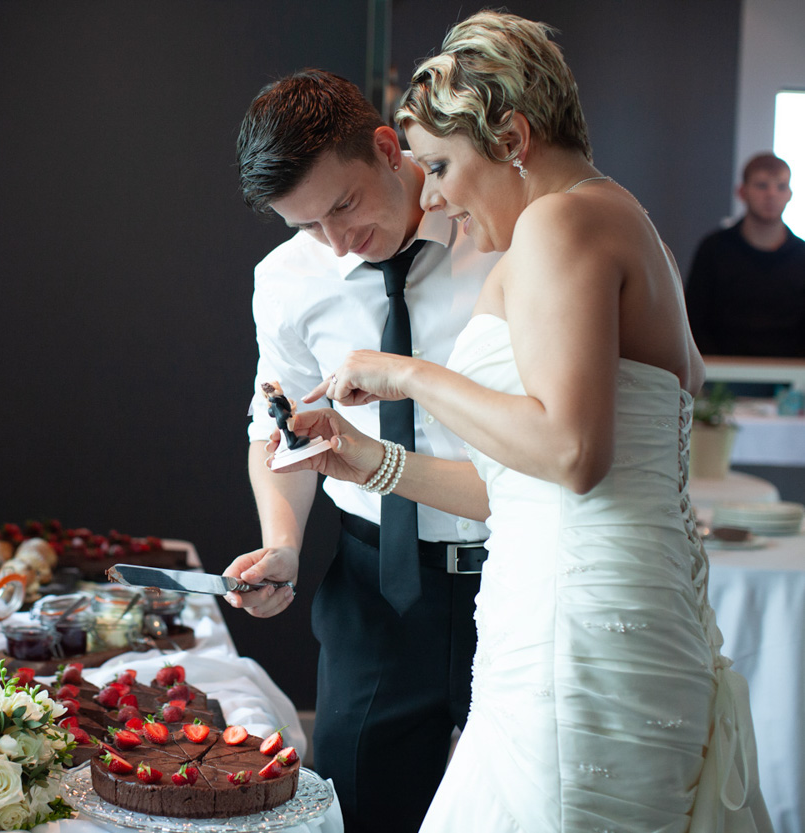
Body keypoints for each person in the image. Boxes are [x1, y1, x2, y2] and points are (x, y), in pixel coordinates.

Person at [270, 11, 773, 831]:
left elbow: (573, 453)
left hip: (576, 635)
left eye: (439, 165)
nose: (430, 194)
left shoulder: (559, 221)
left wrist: (405, 374)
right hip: (599, 605)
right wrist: (373, 464)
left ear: (511, 136)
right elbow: (532, 481)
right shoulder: (619, 217)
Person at [224, 69, 501, 833]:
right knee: (352, 815)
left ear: (388, 147)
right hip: (374, 589)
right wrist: (281, 544)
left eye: (342, 205)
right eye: (307, 225)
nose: (337, 242)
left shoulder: (499, 232)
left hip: (516, 576)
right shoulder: (285, 280)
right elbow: (276, 426)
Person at [686, 153, 805, 357]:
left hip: (791, 378)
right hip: (722, 376)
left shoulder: (801, 256)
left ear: (790, 194)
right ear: (742, 191)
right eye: (761, 185)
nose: (771, 194)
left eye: (781, 186)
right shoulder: (714, 249)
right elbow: (693, 319)